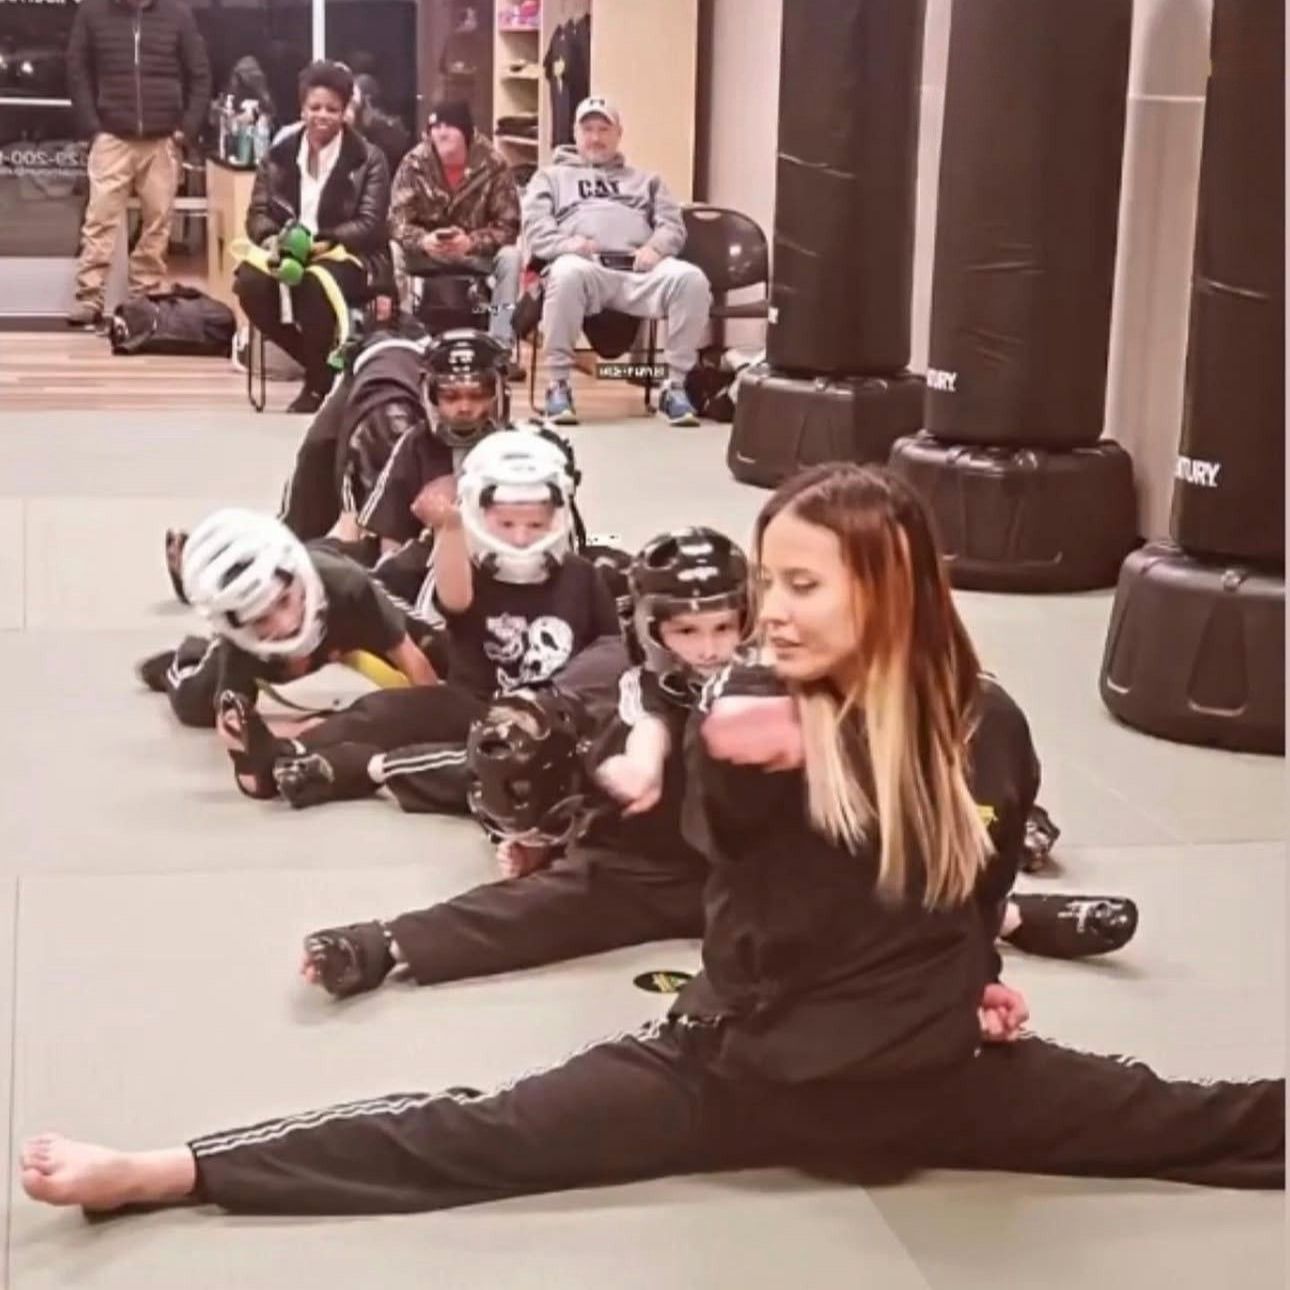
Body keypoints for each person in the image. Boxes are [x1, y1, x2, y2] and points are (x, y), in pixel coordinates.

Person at [24, 464, 1279, 1216]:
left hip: (926, 1082)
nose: (769, 613)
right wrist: (748, 764)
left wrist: (976, 982)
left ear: (889, 594)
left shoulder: (986, 726)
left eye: (802, 586)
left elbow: (962, 889)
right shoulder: (742, 713)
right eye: (765, 584)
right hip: (734, 1069)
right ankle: (169, 1170)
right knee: (473, 1135)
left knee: (1202, 1122)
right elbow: (743, 889)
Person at [298, 525, 749, 997]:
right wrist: (625, 781)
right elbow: (650, 731)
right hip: (647, 866)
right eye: (687, 631)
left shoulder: (772, 680)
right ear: (652, 630)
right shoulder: (642, 689)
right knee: (520, 760)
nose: (709, 649)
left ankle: (550, 841)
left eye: (723, 627)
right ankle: (387, 939)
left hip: (748, 876)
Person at [214, 429, 619, 806]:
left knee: (496, 765)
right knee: (384, 711)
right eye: (506, 523)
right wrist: (450, 527)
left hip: (551, 718)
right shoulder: (467, 567)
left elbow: (610, 652)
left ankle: (350, 770)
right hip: (472, 703)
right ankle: (283, 755)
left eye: (535, 524)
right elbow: (455, 599)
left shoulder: (583, 576)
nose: (520, 536)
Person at [136, 508, 437, 732]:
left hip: (341, 606)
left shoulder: (349, 587)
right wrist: (298, 733)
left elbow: (414, 662)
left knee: (440, 650)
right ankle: (183, 659)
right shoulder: (241, 644)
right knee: (194, 705)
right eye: (261, 619)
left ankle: (335, 547)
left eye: (283, 602)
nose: (284, 625)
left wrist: (440, 722)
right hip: (270, 655)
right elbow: (233, 724)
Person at [521, 96, 712, 428]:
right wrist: (570, 245)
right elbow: (536, 232)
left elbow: (673, 227)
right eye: (588, 129)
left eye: (603, 129)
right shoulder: (550, 178)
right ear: (575, 134)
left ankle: (675, 386)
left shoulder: (647, 180)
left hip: (639, 268)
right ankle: (559, 385)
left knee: (691, 279)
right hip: (586, 268)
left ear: (618, 133)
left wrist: (655, 248)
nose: (596, 137)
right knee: (565, 272)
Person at [235, 60, 392, 414]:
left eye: (332, 109)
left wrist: (321, 240)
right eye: (315, 107)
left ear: (345, 111)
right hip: (286, 248)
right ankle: (318, 365)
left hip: (346, 253)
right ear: (302, 108)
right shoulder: (278, 154)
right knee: (250, 284)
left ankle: (316, 385)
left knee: (313, 283)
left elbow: (369, 224)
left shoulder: (369, 159)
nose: (323, 116)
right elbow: (256, 214)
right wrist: (273, 240)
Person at [65, 0, 211, 328]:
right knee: (99, 219)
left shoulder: (178, 13)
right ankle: (89, 298)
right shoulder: (92, 11)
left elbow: (200, 75)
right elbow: (77, 71)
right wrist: (93, 127)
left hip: (162, 139)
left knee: (158, 222)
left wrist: (184, 131)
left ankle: (143, 297)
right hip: (111, 136)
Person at [389, 101, 522, 364]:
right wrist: (423, 241)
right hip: (428, 251)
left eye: (449, 126)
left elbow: (509, 225)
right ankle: (405, 338)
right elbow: (396, 220)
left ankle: (500, 345)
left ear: (467, 132)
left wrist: (471, 242)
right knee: (392, 251)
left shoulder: (493, 164)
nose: (441, 132)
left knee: (511, 258)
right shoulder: (414, 162)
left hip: (474, 251)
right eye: (436, 126)